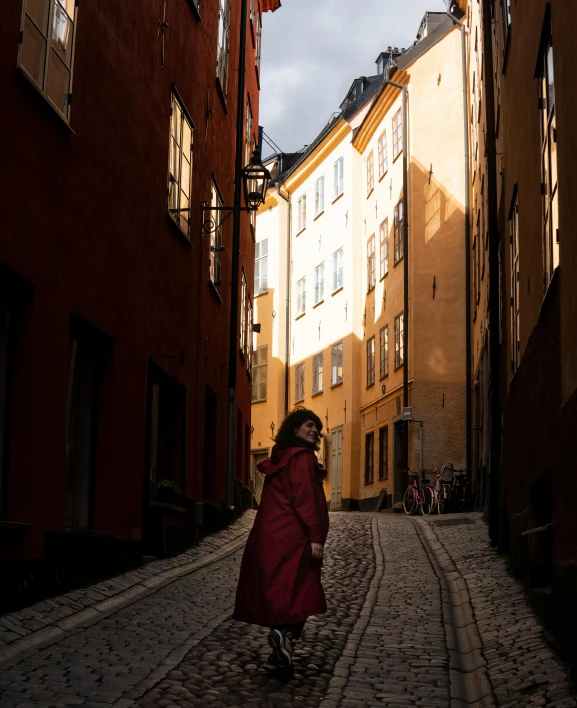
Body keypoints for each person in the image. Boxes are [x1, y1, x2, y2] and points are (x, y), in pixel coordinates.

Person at [233, 407, 329, 673]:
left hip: (272, 536)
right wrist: (316, 537)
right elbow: (305, 498)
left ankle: (280, 652)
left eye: (317, 429)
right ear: (295, 428)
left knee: (281, 590)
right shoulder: (302, 457)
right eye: (310, 425)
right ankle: (285, 634)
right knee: (303, 589)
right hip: (295, 536)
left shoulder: (283, 457)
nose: (314, 431)